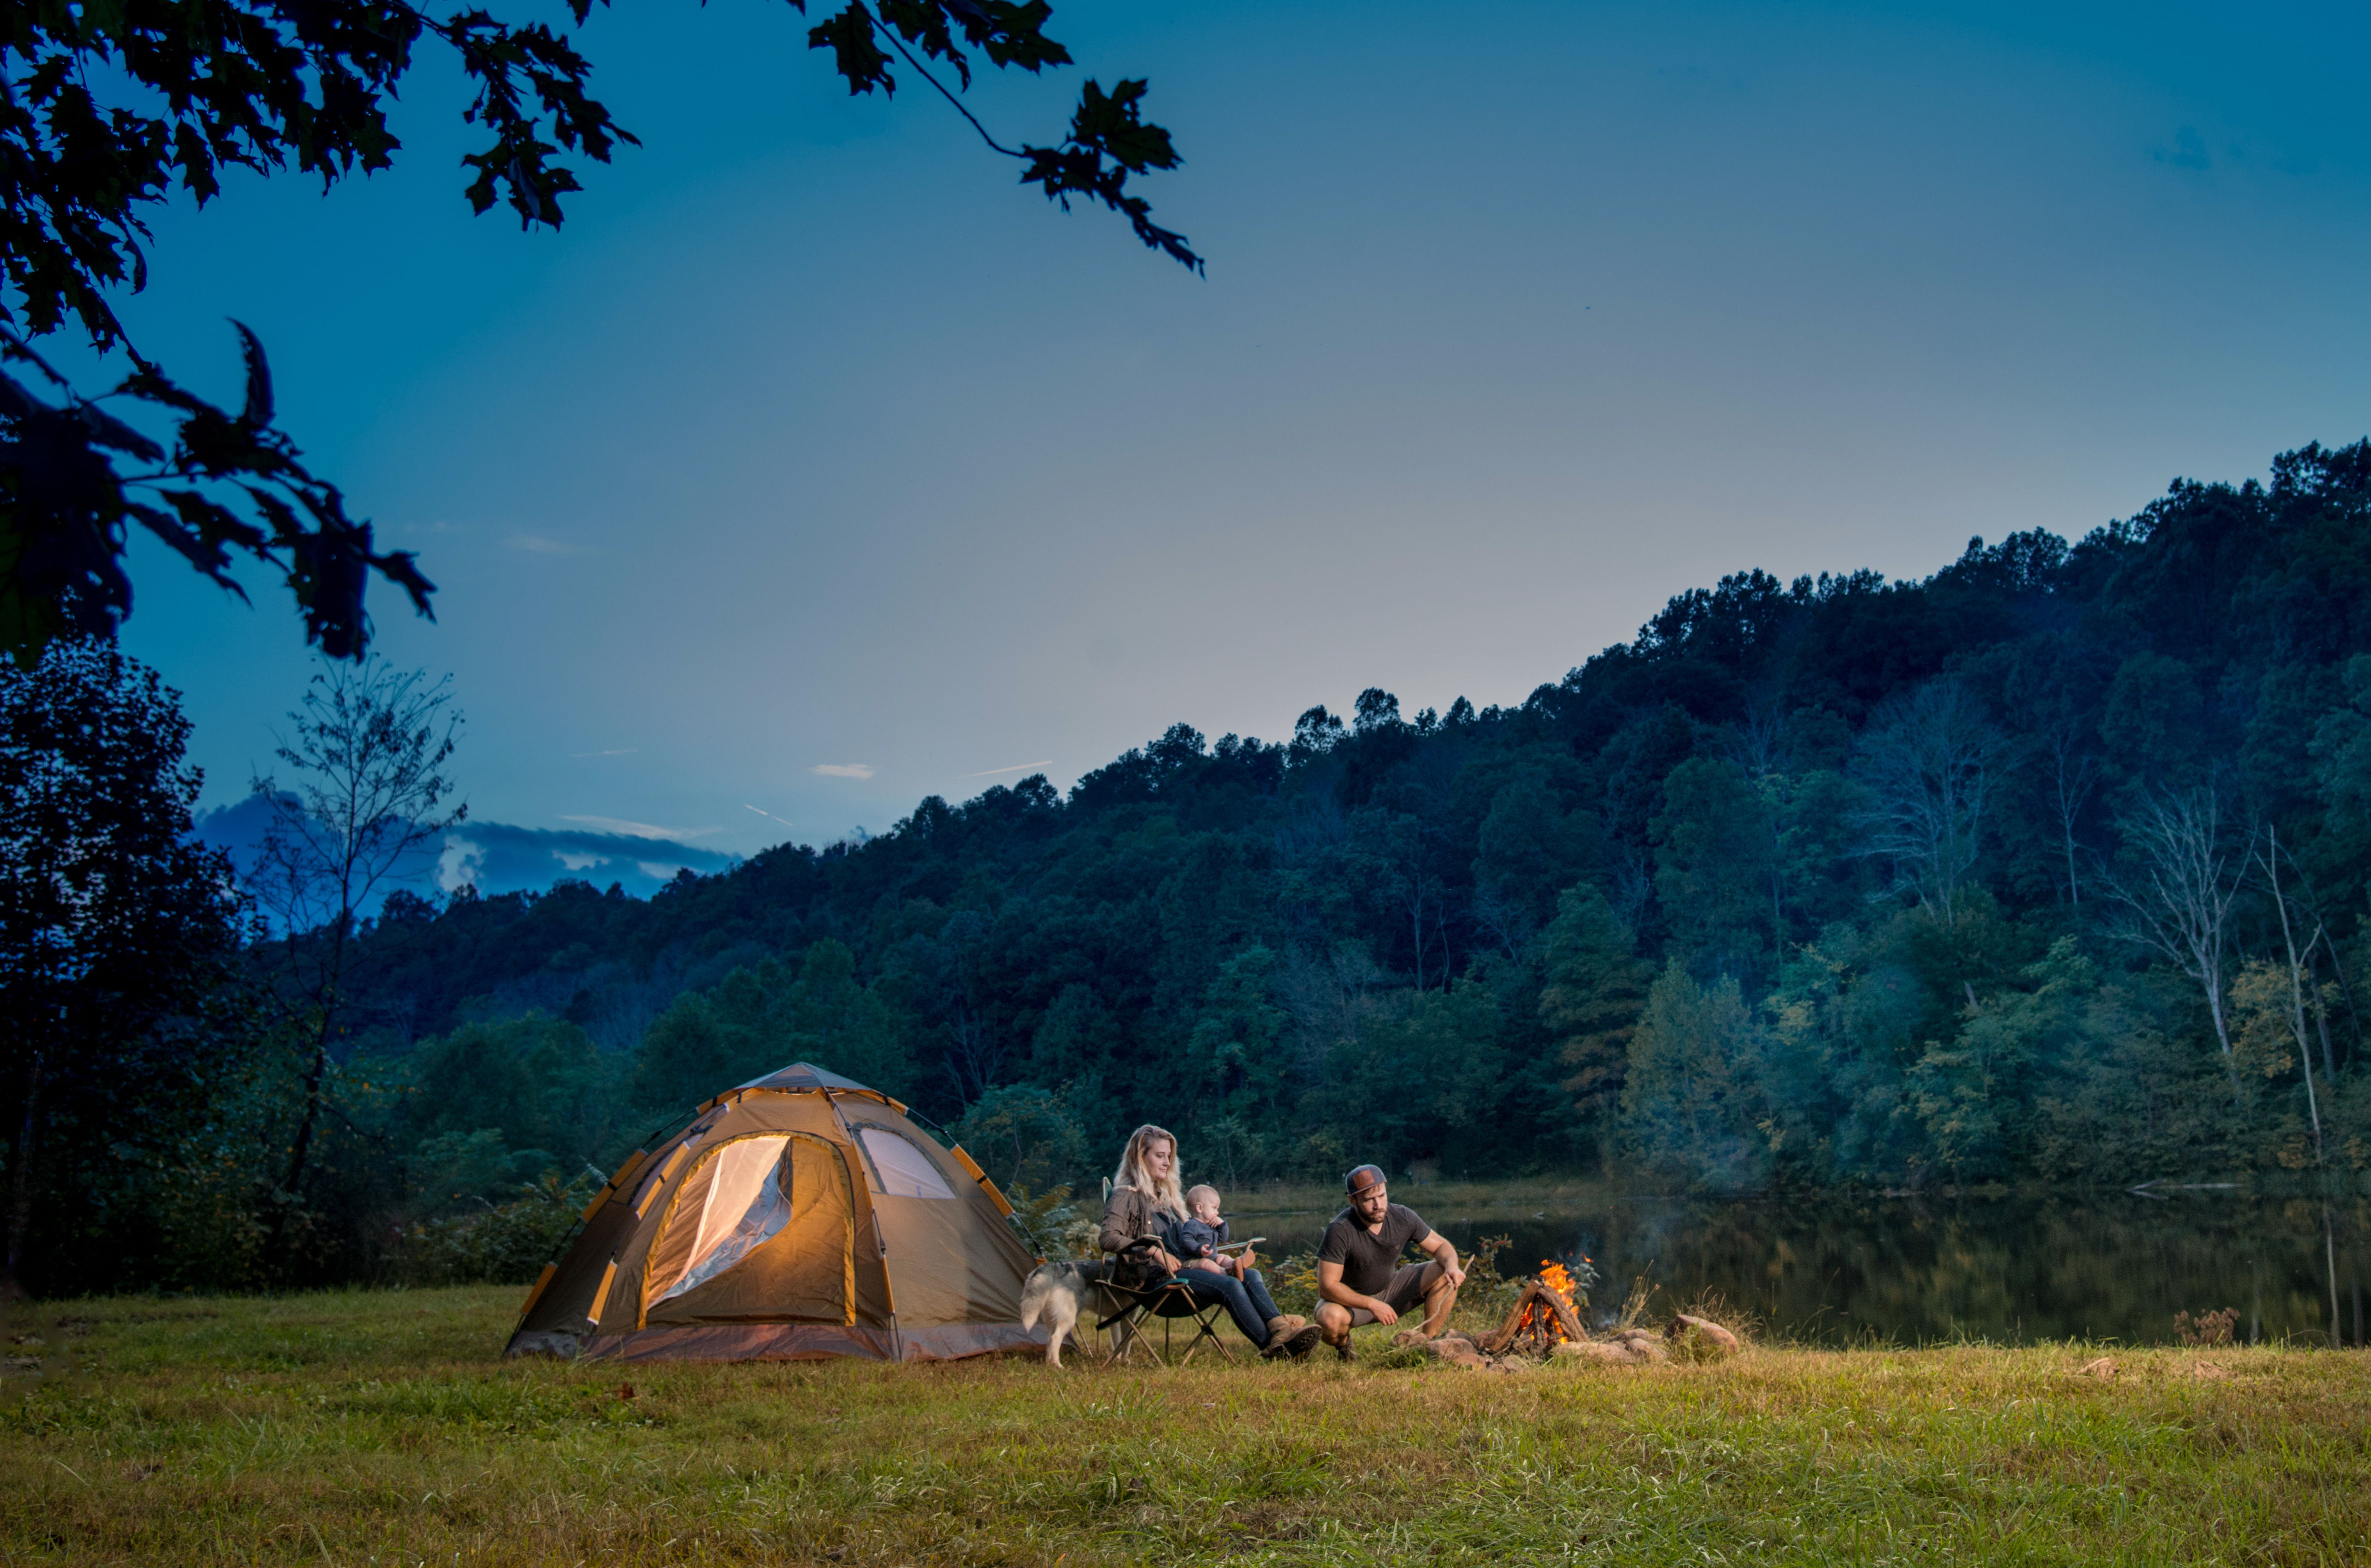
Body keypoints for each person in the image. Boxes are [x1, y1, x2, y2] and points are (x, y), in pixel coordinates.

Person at [1097, 1125, 1319, 1359]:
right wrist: (1153, 1251)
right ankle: (1277, 1348)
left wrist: (1208, 1233)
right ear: (1141, 1157)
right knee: (1232, 1285)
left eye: (1169, 1156)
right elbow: (1108, 1237)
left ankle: (1282, 1331)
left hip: (1185, 1270)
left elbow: (1189, 1240)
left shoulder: (1167, 1198)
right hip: (1156, 1282)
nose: (1167, 1162)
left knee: (1251, 1275)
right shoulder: (1125, 1196)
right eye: (1160, 1156)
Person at [1313, 1164, 1465, 1360]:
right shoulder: (1340, 1229)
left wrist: (1452, 1266)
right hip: (1352, 1303)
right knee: (1328, 1319)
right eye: (1369, 1200)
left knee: (1444, 1270)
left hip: (1392, 1289)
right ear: (1353, 1200)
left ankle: (1429, 1344)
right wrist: (1372, 1304)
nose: (1378, 1205)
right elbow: (1327, 1287)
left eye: (1382, 1196)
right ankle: (1344, 1348)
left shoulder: (1402, 1215)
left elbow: (1441, 1247)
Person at [1176, 1184, 1235, 1275]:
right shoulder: (1192, 1225)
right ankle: (1226, 1272)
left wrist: (1222, 1225)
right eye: (1214, 1208)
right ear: (1200, 1208)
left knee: (1223, 1258)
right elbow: (1186, 1240)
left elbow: (1223, 1239)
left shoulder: (1211, 1225)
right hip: (1192, 1261)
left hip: (1211, 1258)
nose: (1217, 1213)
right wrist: (1199, 1249)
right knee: (1205, 1263)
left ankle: (1236, 1264)